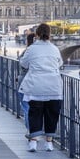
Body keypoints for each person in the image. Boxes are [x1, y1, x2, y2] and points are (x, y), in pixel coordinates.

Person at [19, 23, 63, 152]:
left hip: (36, 85)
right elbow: (59, 63)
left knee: (35, 113)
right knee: (51, 114)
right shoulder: (54, 49)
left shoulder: (31, 49)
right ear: (50, 35)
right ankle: (49, 143)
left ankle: (33, 142)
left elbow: (24, 63)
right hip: (53, 86)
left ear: (36, 35)